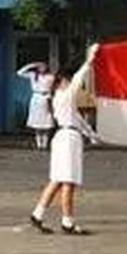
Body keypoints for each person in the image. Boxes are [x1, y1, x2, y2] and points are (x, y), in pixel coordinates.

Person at [29, 46, 99, 236]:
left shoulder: (61, 99)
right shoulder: (65, 95)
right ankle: (67, 222)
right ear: (62, 82)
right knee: (68, 181)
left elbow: (79, 119)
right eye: (67, 80)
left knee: (57, 180)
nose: (70, 82)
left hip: (65, 137)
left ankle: (38, 213)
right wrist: (90, 59)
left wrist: (92, 135)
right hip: (68, 138)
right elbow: (79, 79)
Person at [17, 62, 56, 151]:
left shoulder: (50, 77)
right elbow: (19, 73)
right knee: (37, 123)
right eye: (40, 67)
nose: (42, 68)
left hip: (46, 97)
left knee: (46, 123)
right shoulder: (33, 75)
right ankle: (39, 144)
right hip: (36, 98)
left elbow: (54, 86)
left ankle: (45, 144)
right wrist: (31, 65)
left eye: (44, 67)